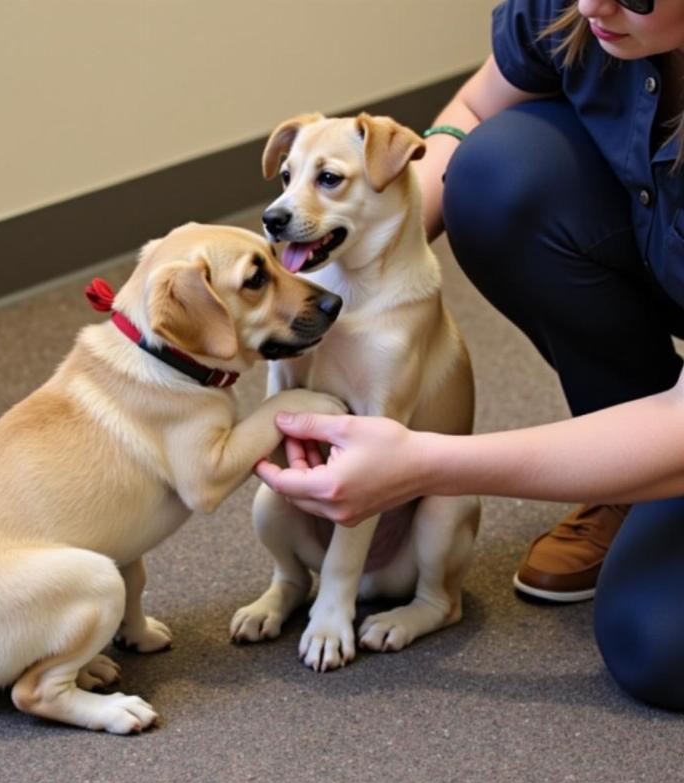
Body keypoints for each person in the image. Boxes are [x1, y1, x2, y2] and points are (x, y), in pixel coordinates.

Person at [254, 0, 684, 711]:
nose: (590, 6)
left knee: (656, 642)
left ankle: (642, 468)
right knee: (492, 173)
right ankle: (622, 469)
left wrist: (425, 464)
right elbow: (471, 112)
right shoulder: (576, 10)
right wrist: (372, 252)